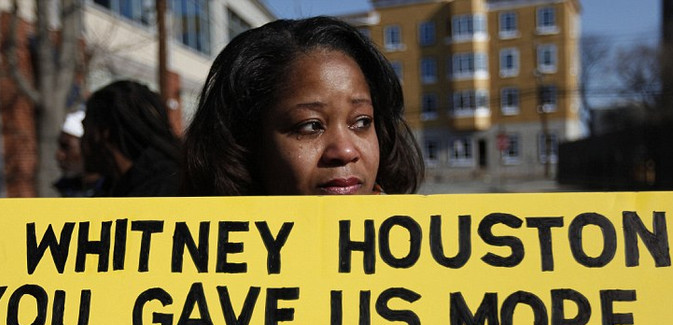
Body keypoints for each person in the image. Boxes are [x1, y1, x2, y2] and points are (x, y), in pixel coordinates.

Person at [184, 16, 424, 196]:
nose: (345, 151)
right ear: (243, 144)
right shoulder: (190, 262)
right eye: (310, 126)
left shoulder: (425, 256)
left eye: (362, 122)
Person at [82, 80, 183, 197]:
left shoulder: (163, 191)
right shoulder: (114, 188)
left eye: (85, 129)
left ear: (103, 133)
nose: (82, 142)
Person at [53, 109, 102, 197]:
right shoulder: (65, 188)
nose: (59, 155)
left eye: (66, 147)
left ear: (88, 147)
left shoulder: (117, 192)